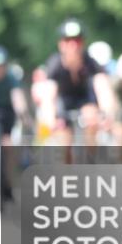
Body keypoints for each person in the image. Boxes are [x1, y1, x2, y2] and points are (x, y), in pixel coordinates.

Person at [40, 18, 113, 153]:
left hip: (85, 102)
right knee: (62, 142)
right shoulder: (54, 64)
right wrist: (50, 119)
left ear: (83, 43)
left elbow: (103, 89)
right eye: (68, 41)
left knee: (91, 119)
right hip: (63, 104)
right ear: (61, 44)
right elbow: (49, 96)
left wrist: (106, 114)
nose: (73, 46)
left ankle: (91, 162)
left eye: (77, 41)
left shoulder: (90, 62)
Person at [0, 46, 30, 203]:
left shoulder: (11, 79)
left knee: (10, 147)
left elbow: (17, 99)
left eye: (1, 66)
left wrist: (22, 114)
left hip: (7, 114)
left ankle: (8, 180)